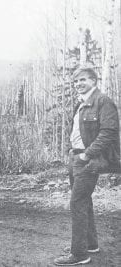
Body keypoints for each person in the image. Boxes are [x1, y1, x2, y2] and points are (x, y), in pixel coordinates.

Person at [54, 67, 120, 266]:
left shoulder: (103, 102)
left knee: (77, 202)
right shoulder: (81, 103)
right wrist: (71, 150)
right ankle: (90, 245)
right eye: (75, 82)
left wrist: (86, 154)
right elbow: (76, 131)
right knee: (84, 201)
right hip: (77, 158)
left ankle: (79, 254)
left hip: (88, 160)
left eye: (83, 80)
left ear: (94, 80)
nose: (78, 84)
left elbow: (108, 133)